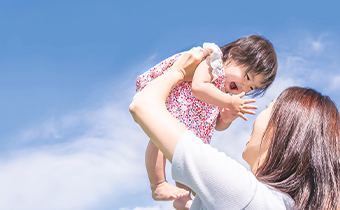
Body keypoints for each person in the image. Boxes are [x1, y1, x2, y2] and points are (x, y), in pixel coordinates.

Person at [130, 48, 340, 209]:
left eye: (268, 107)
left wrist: (178, 71)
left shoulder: (242, 192)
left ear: (285, 130)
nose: (257, 113)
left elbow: (142, 106)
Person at [136, 35, 278, 206]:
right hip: (179, 108)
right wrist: (229, 102)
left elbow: (216, 125)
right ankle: (158, 184)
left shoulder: (224, 89)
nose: (244, 88)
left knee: (187, 158)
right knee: (158, 142)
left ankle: (183, 197)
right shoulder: (214, 60)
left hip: (193, 125)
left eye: (251, 88)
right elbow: (198, 87)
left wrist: (225, 119)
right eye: (247, 78)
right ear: (235, 53)